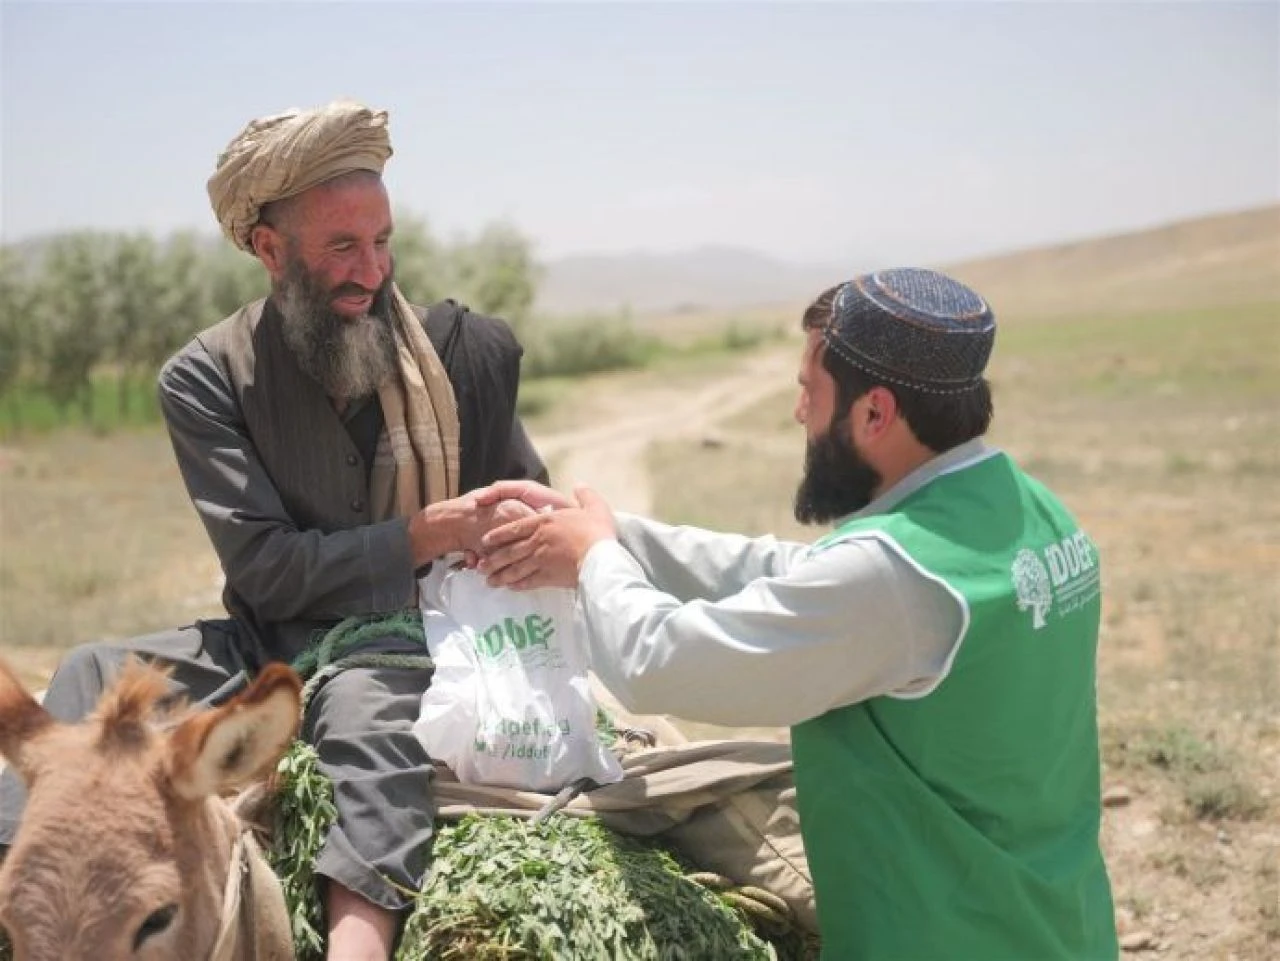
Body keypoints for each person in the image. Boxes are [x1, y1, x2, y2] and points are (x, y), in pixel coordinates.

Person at [0, 101, 546, 961]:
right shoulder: (206, 376)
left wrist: (514, 529)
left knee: (367, 716)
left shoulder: (455, 357)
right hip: (264, 639)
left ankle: (356, 946)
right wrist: (422, 531)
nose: (372, 270)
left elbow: (527, 496)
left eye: (381, 241)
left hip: (410, 636)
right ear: (268, 249)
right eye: (341, 247)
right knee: (90, 671)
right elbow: (264, 568)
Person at [472, 269, 1118, 960]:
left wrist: (594, 558)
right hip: (1057, 924)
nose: (799, 413)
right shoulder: (1030, 512)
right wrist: (611, 532)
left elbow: (658, 662)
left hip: (950, 935)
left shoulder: (893, 577)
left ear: (875, 413)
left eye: (810, 390)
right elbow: (799, 575)